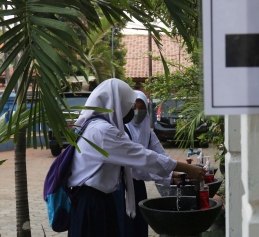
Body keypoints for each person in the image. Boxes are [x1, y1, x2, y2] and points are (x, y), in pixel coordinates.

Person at [67, 79, 205, 237]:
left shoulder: (98, 127)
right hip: (92, 204)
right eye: (129, 106)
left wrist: (172, 175)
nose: (132, 111)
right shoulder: (102, 131)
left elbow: (137, 168)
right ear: (116, 104)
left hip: (101, 200)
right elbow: (143, 157)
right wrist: (186, 168)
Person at [115, 90, 179, 237]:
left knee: (140, 226)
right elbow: (137, 168)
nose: (138, 111)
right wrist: (171, 174)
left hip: (137, 187)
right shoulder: (121, 131)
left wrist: (177, 170)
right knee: (126, 228)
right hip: (122, 187)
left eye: (142, 107)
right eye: (134, 107)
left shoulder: (148, 132)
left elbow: (162, 156)